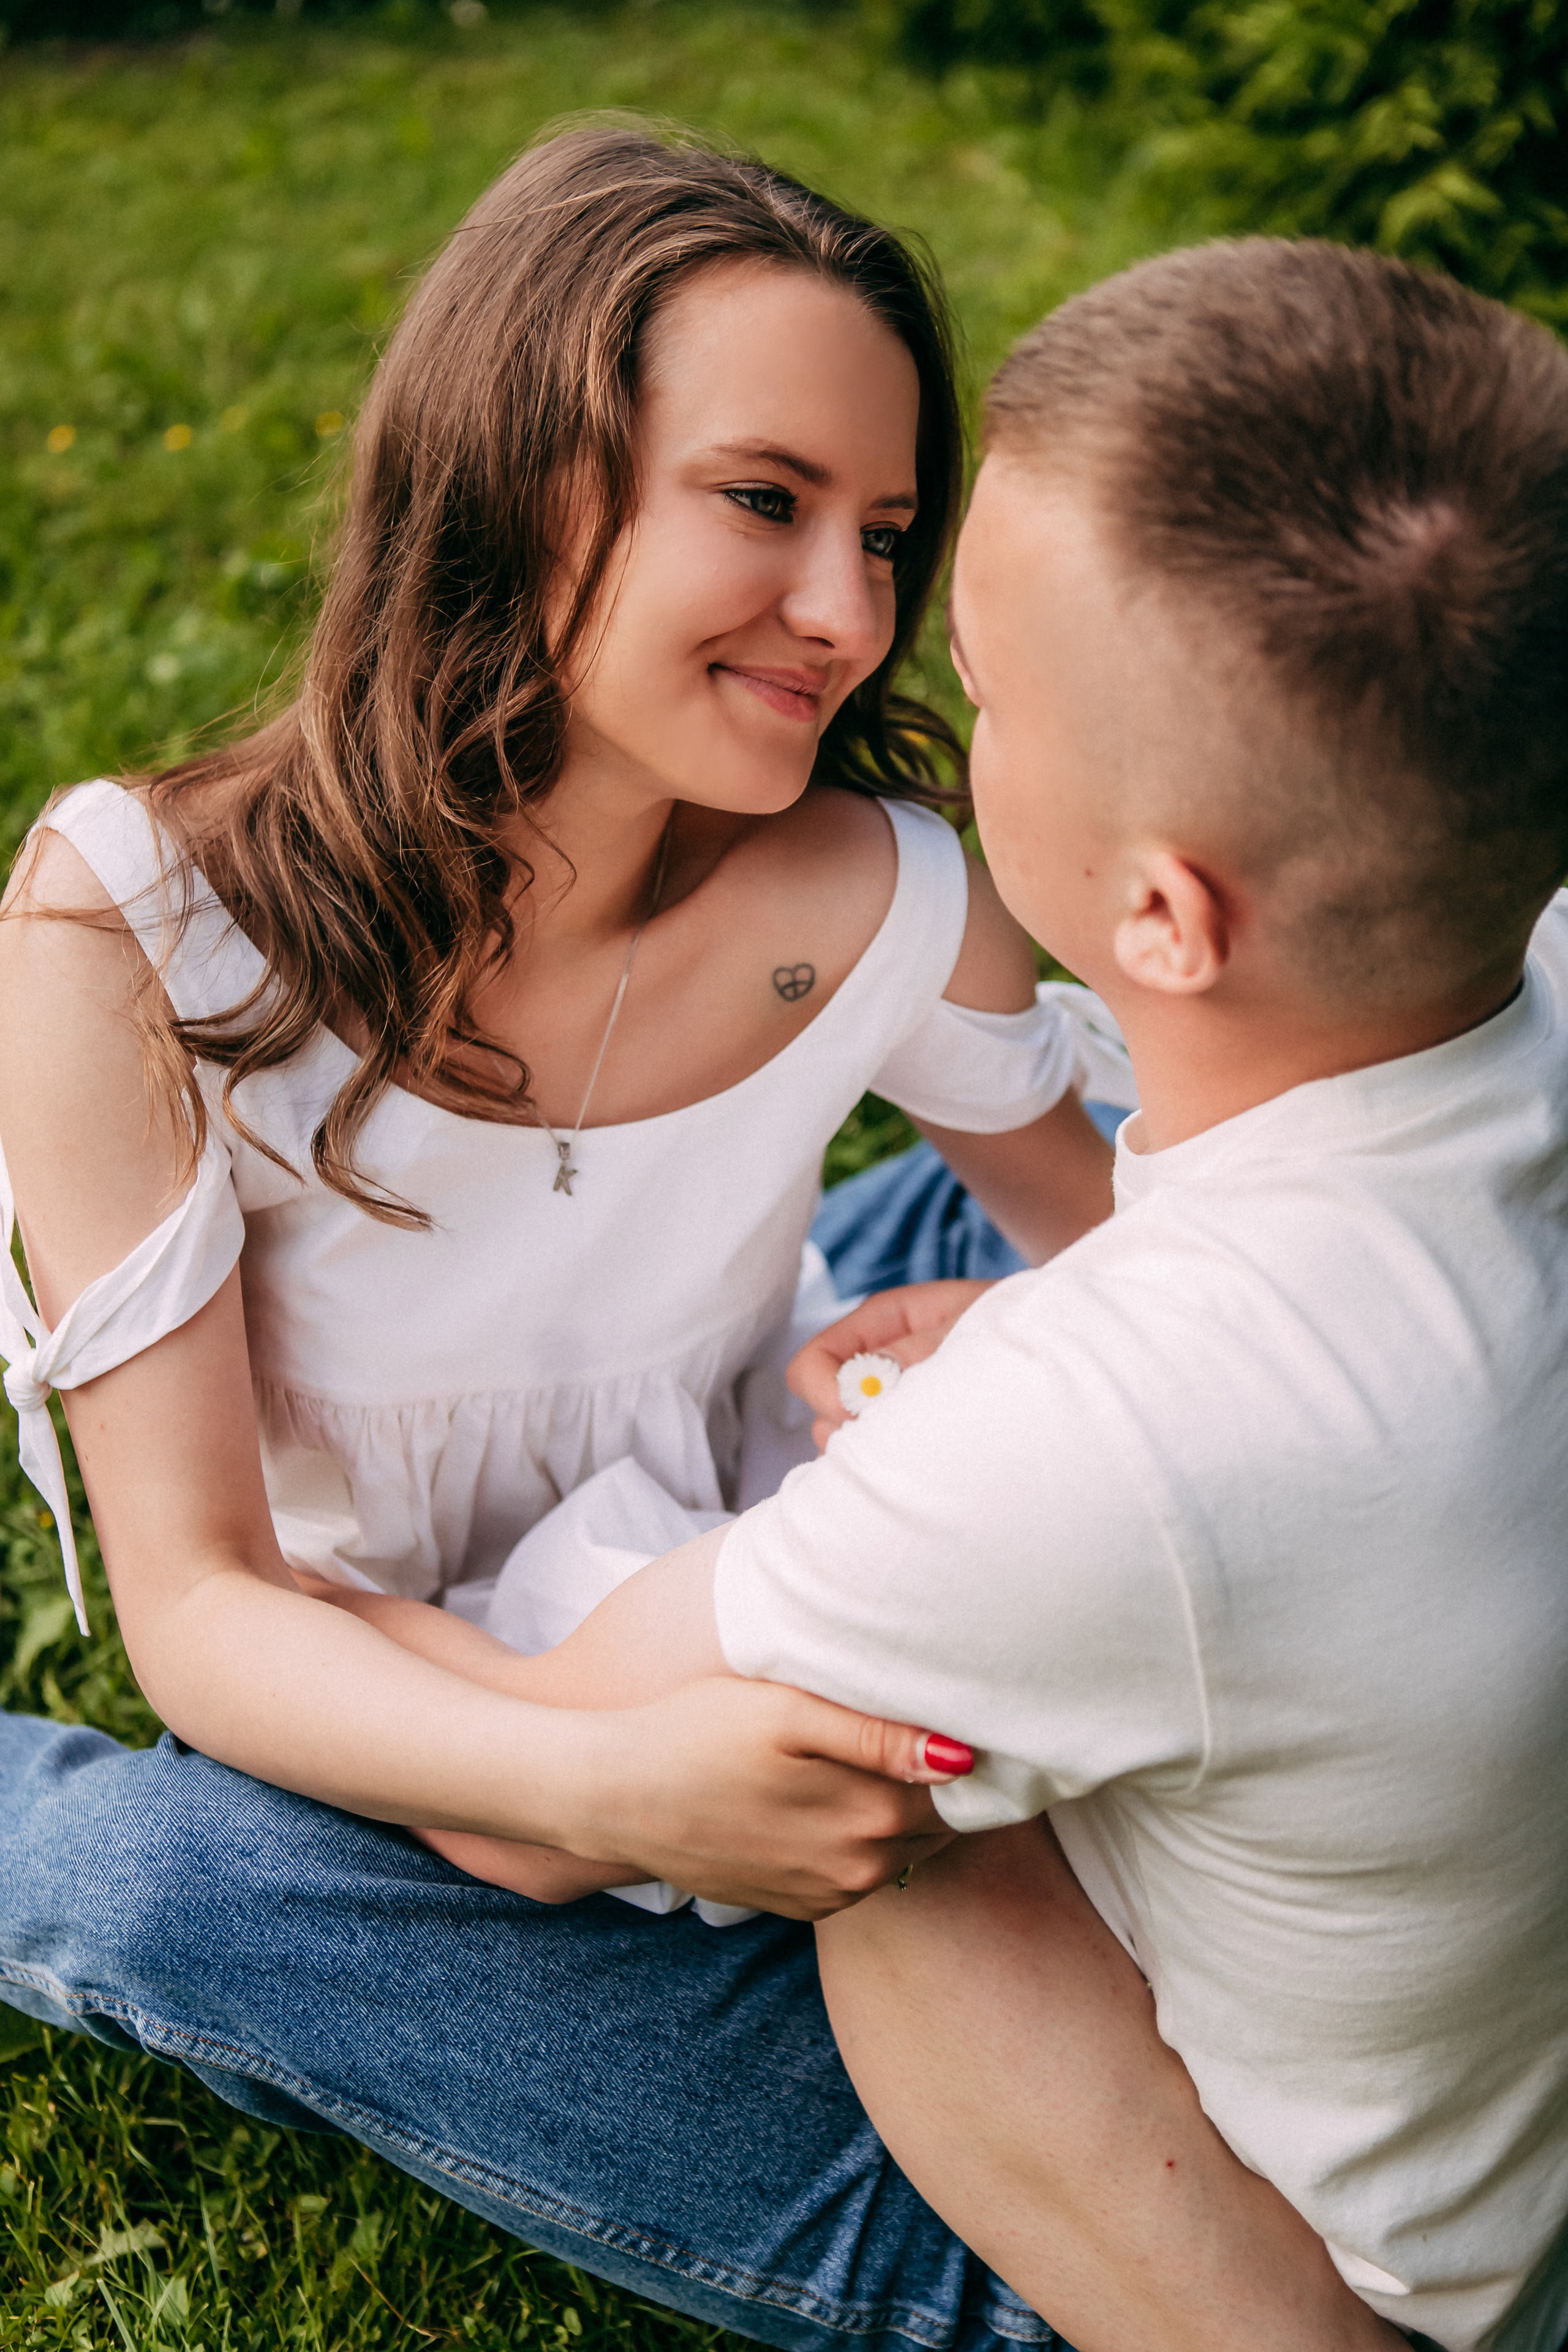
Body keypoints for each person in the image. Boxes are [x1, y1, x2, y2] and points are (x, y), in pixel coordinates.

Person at [328, 239, 1568, 2352]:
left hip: (1355, 2268)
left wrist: (251, 1599)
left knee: (173, 1878)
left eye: (977, 683)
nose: (874, 655)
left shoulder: (1099, 1442)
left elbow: (509, 1782)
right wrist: (1036, 1344)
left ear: (1162, 917)